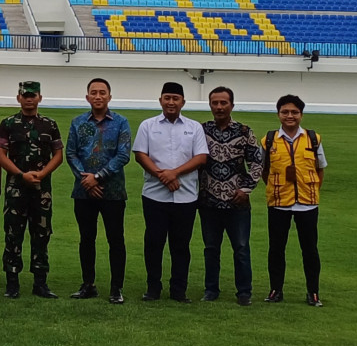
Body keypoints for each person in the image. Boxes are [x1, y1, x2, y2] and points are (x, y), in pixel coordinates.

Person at [132, 81, 208, 302]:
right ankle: (153, 288)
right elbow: (140, 155)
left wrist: (173, 174)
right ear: (160, 100)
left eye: (175, 98)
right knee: (154, 243)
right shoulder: (148, 125)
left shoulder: (194, 127)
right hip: (154, 195)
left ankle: (178, 290)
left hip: (186, 196)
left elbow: (200, 157)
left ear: (183, 102)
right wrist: (162, 176)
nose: (171, 102)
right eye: (167, 98)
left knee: (181, 245)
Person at [0, 80, 64, 299]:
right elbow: (0, 154)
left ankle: (40, 283)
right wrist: (20, 175)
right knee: (13, 234)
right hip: (16, 188)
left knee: (41, 234)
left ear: (39, 98)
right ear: (19, 98)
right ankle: (12, 283)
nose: (29, 99)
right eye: (25, 95)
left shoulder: (49, 124)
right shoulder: (8, 123)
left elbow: (58, 154)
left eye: (33, 95)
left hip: (41, 190)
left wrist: (42, 174)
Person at [65, 78, 133, 303]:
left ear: (109, 97)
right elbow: (71, 153)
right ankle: (88, 284)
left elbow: (123, 155)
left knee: (116, 239)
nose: (98, 96)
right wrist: (86, 179)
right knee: (86, 238)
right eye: (93, 92)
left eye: (102, 92)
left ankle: (116, 288)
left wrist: (98, 177)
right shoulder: (77, 123)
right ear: (87, 97)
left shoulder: (121, 123)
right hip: (84, 192)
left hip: (112, 192)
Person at [198, 86, 264, 306]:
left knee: (241, 248)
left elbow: (257, 162)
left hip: (237, 202)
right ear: (210, 105)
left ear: (232, 105)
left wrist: (246, 190)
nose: (219, 107)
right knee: (211, 249)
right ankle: (211, 289)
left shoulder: (244, 132)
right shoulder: (202, 130)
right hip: (209, 201)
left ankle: (244, 292)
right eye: (215, 103)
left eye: (223, 103)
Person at [262, 94, 327, 307]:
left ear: (301, 114)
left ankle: (313, 292)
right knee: (276, 249)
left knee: (310, 250)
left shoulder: (313, 139)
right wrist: (276, 188)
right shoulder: (269, 140)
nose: (290, 116)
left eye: (294, 112)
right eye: (285, 112)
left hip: (307, 203)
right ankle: (275, 290)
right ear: (278, 114)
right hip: (278, 202)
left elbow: (320, 169)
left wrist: (311, 190)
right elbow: (264, 170)